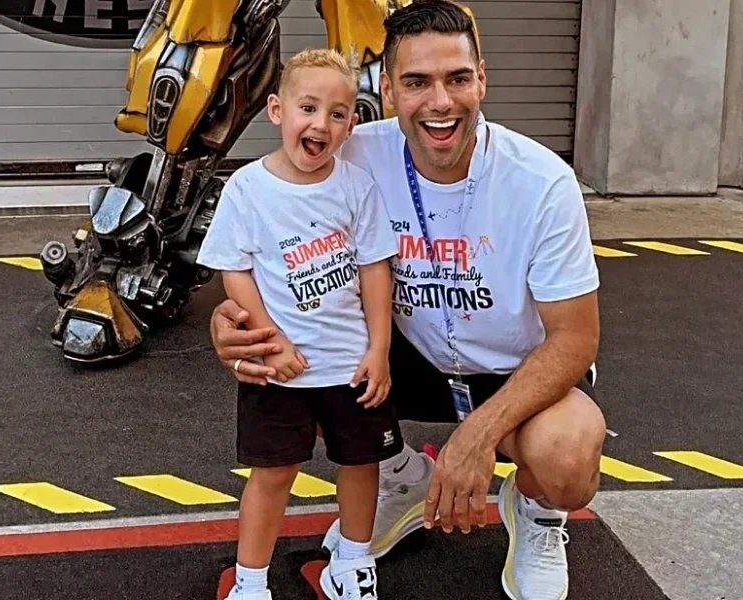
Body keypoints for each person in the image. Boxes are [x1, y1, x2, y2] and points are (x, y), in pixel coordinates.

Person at [209, 1, 606, 598]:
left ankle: (537, 512)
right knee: (303, 372)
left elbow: (576, 338)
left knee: (569, 456)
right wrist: (230, 321)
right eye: (418, 82)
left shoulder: (542, 181)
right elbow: (273, 233)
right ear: (389, 90)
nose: (441, 103)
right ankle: (400, 473)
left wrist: (476, 438)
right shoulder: (348, 150)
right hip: (403, 358)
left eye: (457, 79)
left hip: (510, 371)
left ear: (482, 79)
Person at [196, 48, 402, 600]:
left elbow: (375, 270)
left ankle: (354, 565)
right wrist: (270, 340)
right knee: (273, 474)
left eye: (338, 113)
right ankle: (251, 581)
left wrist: (379, 349)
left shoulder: (356, 187)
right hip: (278, 371)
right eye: (308, 107)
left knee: (361, 466)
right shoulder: (247, 188)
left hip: (350, 365)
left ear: (351, 123)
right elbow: (234, 273)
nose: (321, 124)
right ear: (276, 110)